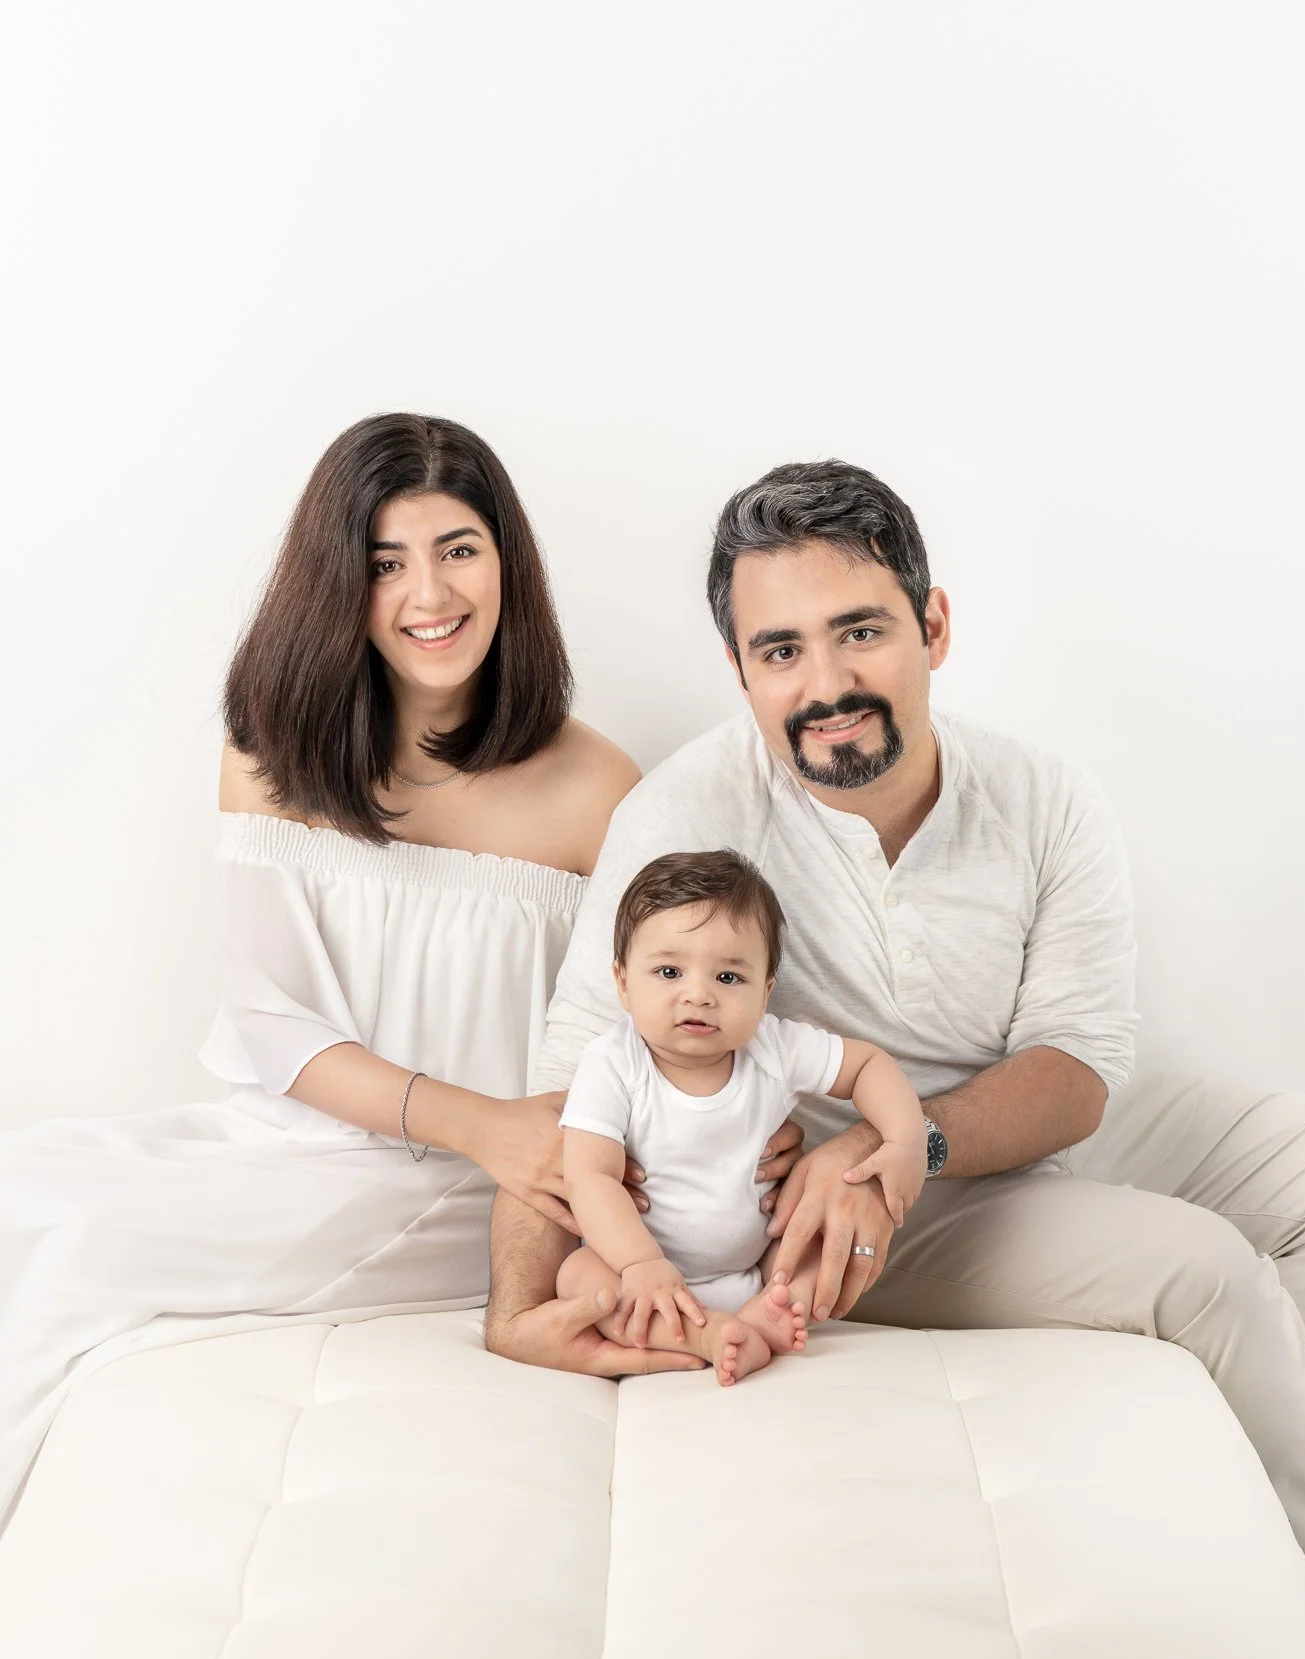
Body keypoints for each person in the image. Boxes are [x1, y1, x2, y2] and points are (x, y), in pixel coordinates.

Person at [486, 456, 1305, 1601]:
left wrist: (905, 1134)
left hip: (954, 1130)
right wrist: (517, 1311)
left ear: (932, 625)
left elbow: (1077, 1068)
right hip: (849, 1216)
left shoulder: (1044, 796)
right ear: (739, 670)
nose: (825, 681)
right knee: (1209, 1273)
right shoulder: (687, 817)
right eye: (780, 650)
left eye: (860, 631)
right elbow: (572, 1085)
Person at [3, 411, 801, 1532]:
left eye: (458, 548)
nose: (430, 593)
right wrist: (474, 1118)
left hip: (479, 1190)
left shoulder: (594, 786)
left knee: (65, 1241)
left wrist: (749, 1116)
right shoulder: (268, 749)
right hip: (300, 1138)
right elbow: (271, 1021)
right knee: (22, 1193)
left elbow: (683, 995)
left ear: (506, 563)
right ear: (340, 583)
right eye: (386, 563)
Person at [554, 849, 928, 1383]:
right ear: (622, 982)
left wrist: (905, 1139)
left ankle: (769, 1312)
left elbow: (867, 1064)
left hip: (759, 1268)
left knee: (825, 1231)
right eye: (668, 971)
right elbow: (590, 1175)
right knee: (578, 1278)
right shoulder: (613, 1063)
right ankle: (710, 1335)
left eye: (729, 978)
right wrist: (640, 1264)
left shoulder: (773, 1048)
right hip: (641, 1273)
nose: (699, 994)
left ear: (765, 992)